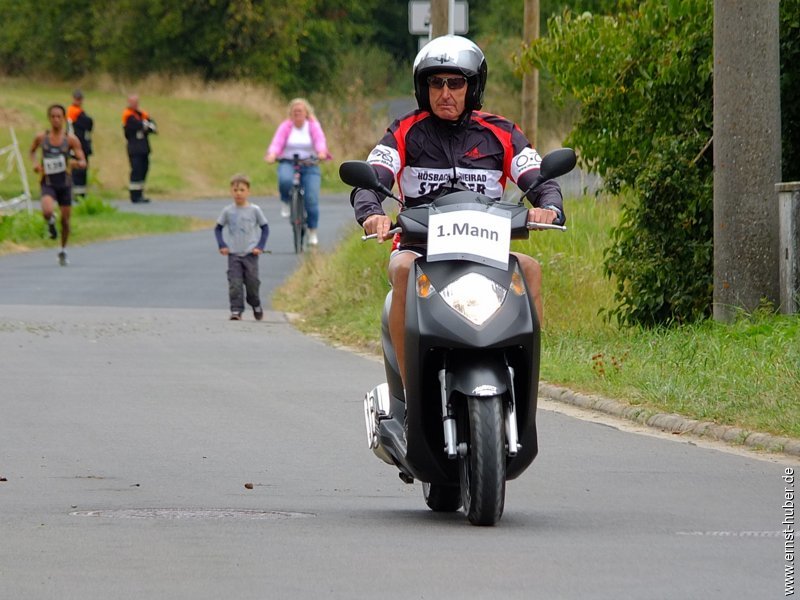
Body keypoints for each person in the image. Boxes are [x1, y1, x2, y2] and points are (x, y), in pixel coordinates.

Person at [350, 35, 566, 386]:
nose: (445, 92)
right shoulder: (404, 131)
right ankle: (410, 389)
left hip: (485, 248)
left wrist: (549, 207)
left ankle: (524, 384)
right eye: (436, 83)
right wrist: (371, 212)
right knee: (402, 270)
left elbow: (538, 177)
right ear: (423, 88)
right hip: (418, 250)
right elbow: (372, 176)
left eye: (456, 82)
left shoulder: (501, 132)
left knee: (531, 269)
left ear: (473, 87)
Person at [264, 98, 330, 246]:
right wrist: (272, 154)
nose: (297, 114)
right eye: (295, 111)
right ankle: (286, 201)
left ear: (306, 113)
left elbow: (320, 141)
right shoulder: (286, 127)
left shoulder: (313, 126)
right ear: (291, 114)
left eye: (300, 111)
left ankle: (312, 231)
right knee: (285, 180)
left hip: (310, 164)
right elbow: (277, 142)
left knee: (311, 199)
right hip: (288, 162)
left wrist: (321, 153)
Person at [29, 104, 87, 266]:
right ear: (49, 118)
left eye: (59, 116)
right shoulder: (42, 138)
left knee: (66, 221)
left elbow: (82, 158)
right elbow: (32, 151)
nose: (55, 119)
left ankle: (62, 250)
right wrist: (35, 164)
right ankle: (50, 221)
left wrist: (78, 163)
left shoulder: (70, 140)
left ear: (63, 118)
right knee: (46, 210)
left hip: (64, 183)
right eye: (53, 116)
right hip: (48, 182)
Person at [214, 173, 269, 321]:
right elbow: (218, 228)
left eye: (242, 190)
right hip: (234, 254)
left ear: (248, 191)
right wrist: (222, 245)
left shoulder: (255, 210)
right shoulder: (228, 211)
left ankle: (256, 304)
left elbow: (265, 228)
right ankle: (236, 310)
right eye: (235, 190)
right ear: (231, 191)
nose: (238, 193)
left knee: (252, 283)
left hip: (251, 254)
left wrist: (260, 246)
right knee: (235, 283)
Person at [122, 94, 157, 204]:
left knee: (144, 168)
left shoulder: (142, 114)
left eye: (136, 102)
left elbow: (153, 126)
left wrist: (146, 125)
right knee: (136, 170)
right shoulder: (128, 115)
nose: (135, 104)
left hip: (144, 147)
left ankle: (140, 193)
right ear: (129, 102)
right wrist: (145, 125)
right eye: (133, 102)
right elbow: (136, 125)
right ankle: (134, 195)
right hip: (134, 147)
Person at [66, 89, 93, 200]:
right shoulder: (74, 111)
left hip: (81, 144)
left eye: (80, 99)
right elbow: (88, 123)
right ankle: (77, 194)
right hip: (75, 144)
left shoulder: (78, 110)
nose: (79, 101)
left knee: (82, 171)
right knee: (77, 170)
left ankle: (80, 194)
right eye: (77, 99)